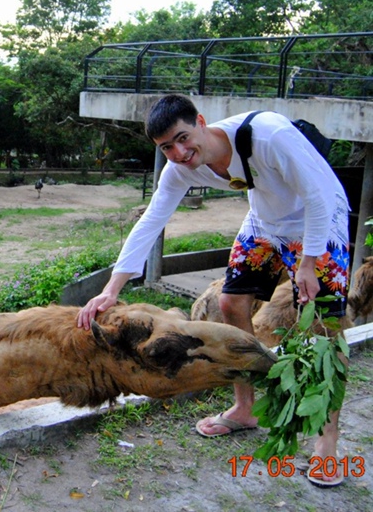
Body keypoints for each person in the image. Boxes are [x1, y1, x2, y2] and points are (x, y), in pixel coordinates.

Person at [76, 94, 350, 487]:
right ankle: (245, 408)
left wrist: (308, 263)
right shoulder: (179, 169)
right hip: (264, 222)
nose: (179, 152)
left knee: (324, 327)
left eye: (183, 138)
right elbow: (152, 221)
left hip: (318, 220)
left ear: (201, 121)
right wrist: (111, 289)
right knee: (231, 303)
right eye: (166, 147)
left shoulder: (268, 134)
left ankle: (327, 443)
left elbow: (318, 196)